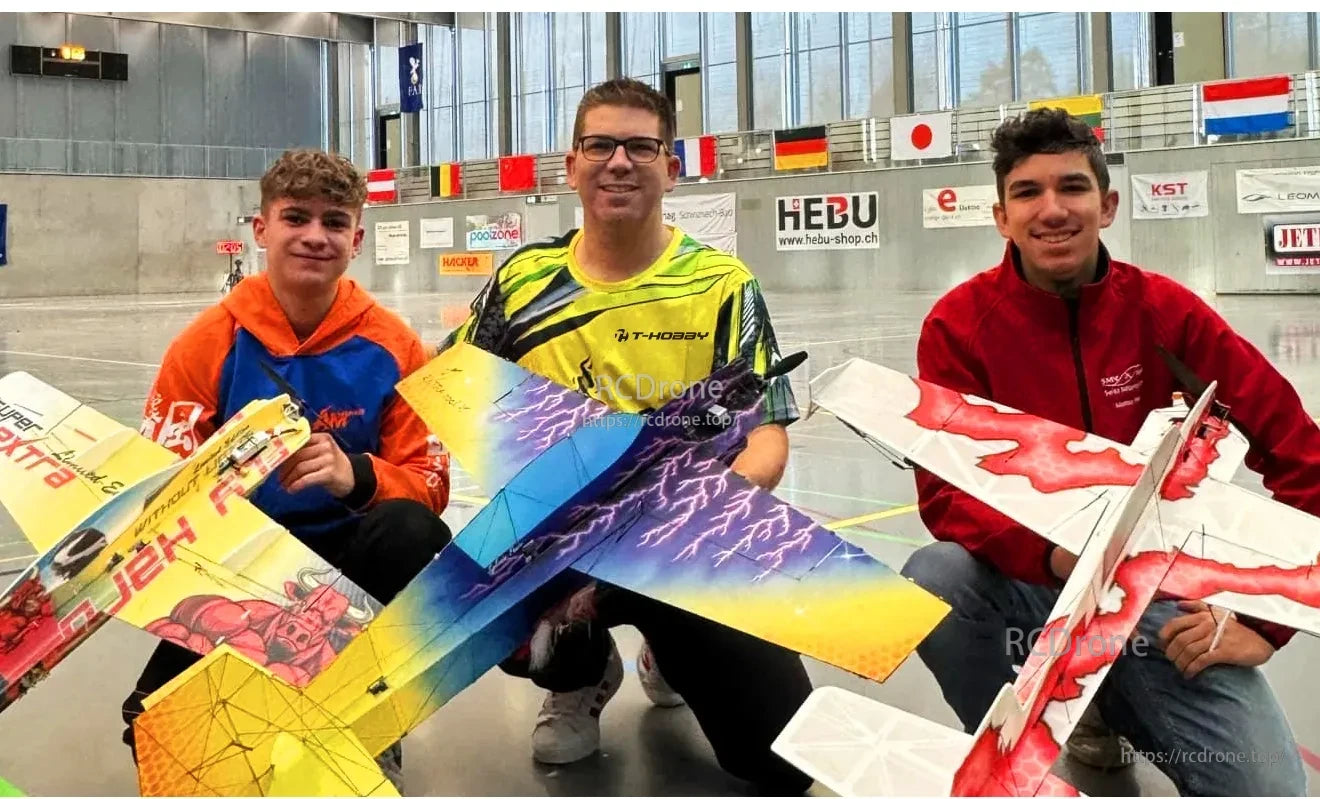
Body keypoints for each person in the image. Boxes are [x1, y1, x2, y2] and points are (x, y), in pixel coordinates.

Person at [900, 108, 1313, 795]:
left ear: (1108, 204)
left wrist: (1265, 623)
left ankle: (1107, 702)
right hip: (1032, 582)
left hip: (1156, 595)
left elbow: (1303, 455)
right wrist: (1058, 555)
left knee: (1269, 789)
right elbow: (947, 497)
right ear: (1001, 217)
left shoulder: (1167, 314)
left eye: (1073, 188)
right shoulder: (958, 327)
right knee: (933, 577)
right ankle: (1029, 765)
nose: (1052, 210)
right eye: (1028, 193)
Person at [439, 77, 812, 792]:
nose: (619, 161)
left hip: (684, 541)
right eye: (600, 145)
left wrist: (712, 495)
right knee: (471, 584)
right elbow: (457, 387)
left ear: (671, 167)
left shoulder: (722, 284)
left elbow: (767, 435)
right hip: (564, 544)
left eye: (641, 146)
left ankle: (669, 651)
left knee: (779, 769)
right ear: (571, 165)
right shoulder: (522, 280)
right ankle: (579, 671)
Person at [121, 149, 453, 789]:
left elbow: (430, 486)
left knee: (413, 533)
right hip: (240, 569)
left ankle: (365, 721)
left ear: (355, 240)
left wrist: (356, 474)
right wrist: (222, 479)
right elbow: (157, 497)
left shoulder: (395, 347)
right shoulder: (205, 344)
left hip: (350, 559)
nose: (313, 236)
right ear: (261, 229)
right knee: (149, 733)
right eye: (295, 217)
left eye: (333, 222)